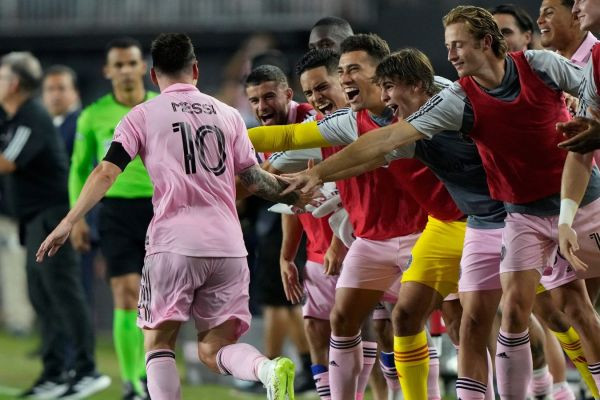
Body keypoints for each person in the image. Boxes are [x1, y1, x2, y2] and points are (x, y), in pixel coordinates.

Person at [279, 6, 600, 399]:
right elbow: (375, 144)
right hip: (500, 218)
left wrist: (590, 120)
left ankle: (569, 388)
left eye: (457, 45)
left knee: (566, 311)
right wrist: (307, 170)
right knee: (487, 317)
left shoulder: (536, 67)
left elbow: (590, 88)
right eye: (447, 46)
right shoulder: (449, 103)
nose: (450, 54)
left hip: (569, 202)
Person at [37, 32, 301, 400]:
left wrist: (68, 221)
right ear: (195, 69)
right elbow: (255, 180)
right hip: (227, 247)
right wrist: (303, 190)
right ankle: (266, 368)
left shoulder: (141, 115)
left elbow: (106, 172)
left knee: (158, 344)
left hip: (173, 245)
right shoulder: (228, 114)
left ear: (152, 75)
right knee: (215, 349)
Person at [248, 33, 466, 400]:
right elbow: (289, 141)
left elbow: (377, 148)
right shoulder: (347, 121)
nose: (321, 94)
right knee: (349, 323)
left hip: (438, 229)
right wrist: (226, 135)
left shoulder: (436, 95)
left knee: (463, 324)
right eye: (342, 71)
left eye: (351, 71)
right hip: (369, 241)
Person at [0, 51, 110, 399]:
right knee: (43, 297)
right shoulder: (15, 117)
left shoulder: (30, 115)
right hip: (34, 218)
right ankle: (55, 372)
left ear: (14, 83)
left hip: (52, 215)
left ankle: (86, 368)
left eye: (1, 77)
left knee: (63, 294)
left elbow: (6, 162)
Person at [69, 37, 156, 399]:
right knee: (125, 293)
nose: (124, 70)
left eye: (131, 63)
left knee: (156, 302)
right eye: (117, 65)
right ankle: (132, 381)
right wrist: (77, 218)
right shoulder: (93, 115)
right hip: (116, 210)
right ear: (107, 71)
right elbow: (78, 169)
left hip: (160, 208)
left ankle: (153, 373)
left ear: (142, 68)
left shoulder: (161, 106)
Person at [244, 64, 316, 394]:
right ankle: (302, 370)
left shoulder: (309, 121)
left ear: (288, 93)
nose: (261, 107)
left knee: (293, 305)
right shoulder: (266, 134)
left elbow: (271, 178)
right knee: (292, 304)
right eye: (255, 100)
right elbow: (284, 191)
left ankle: (294, 368)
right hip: (295, 222)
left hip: (328, 227)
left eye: (269, 96)